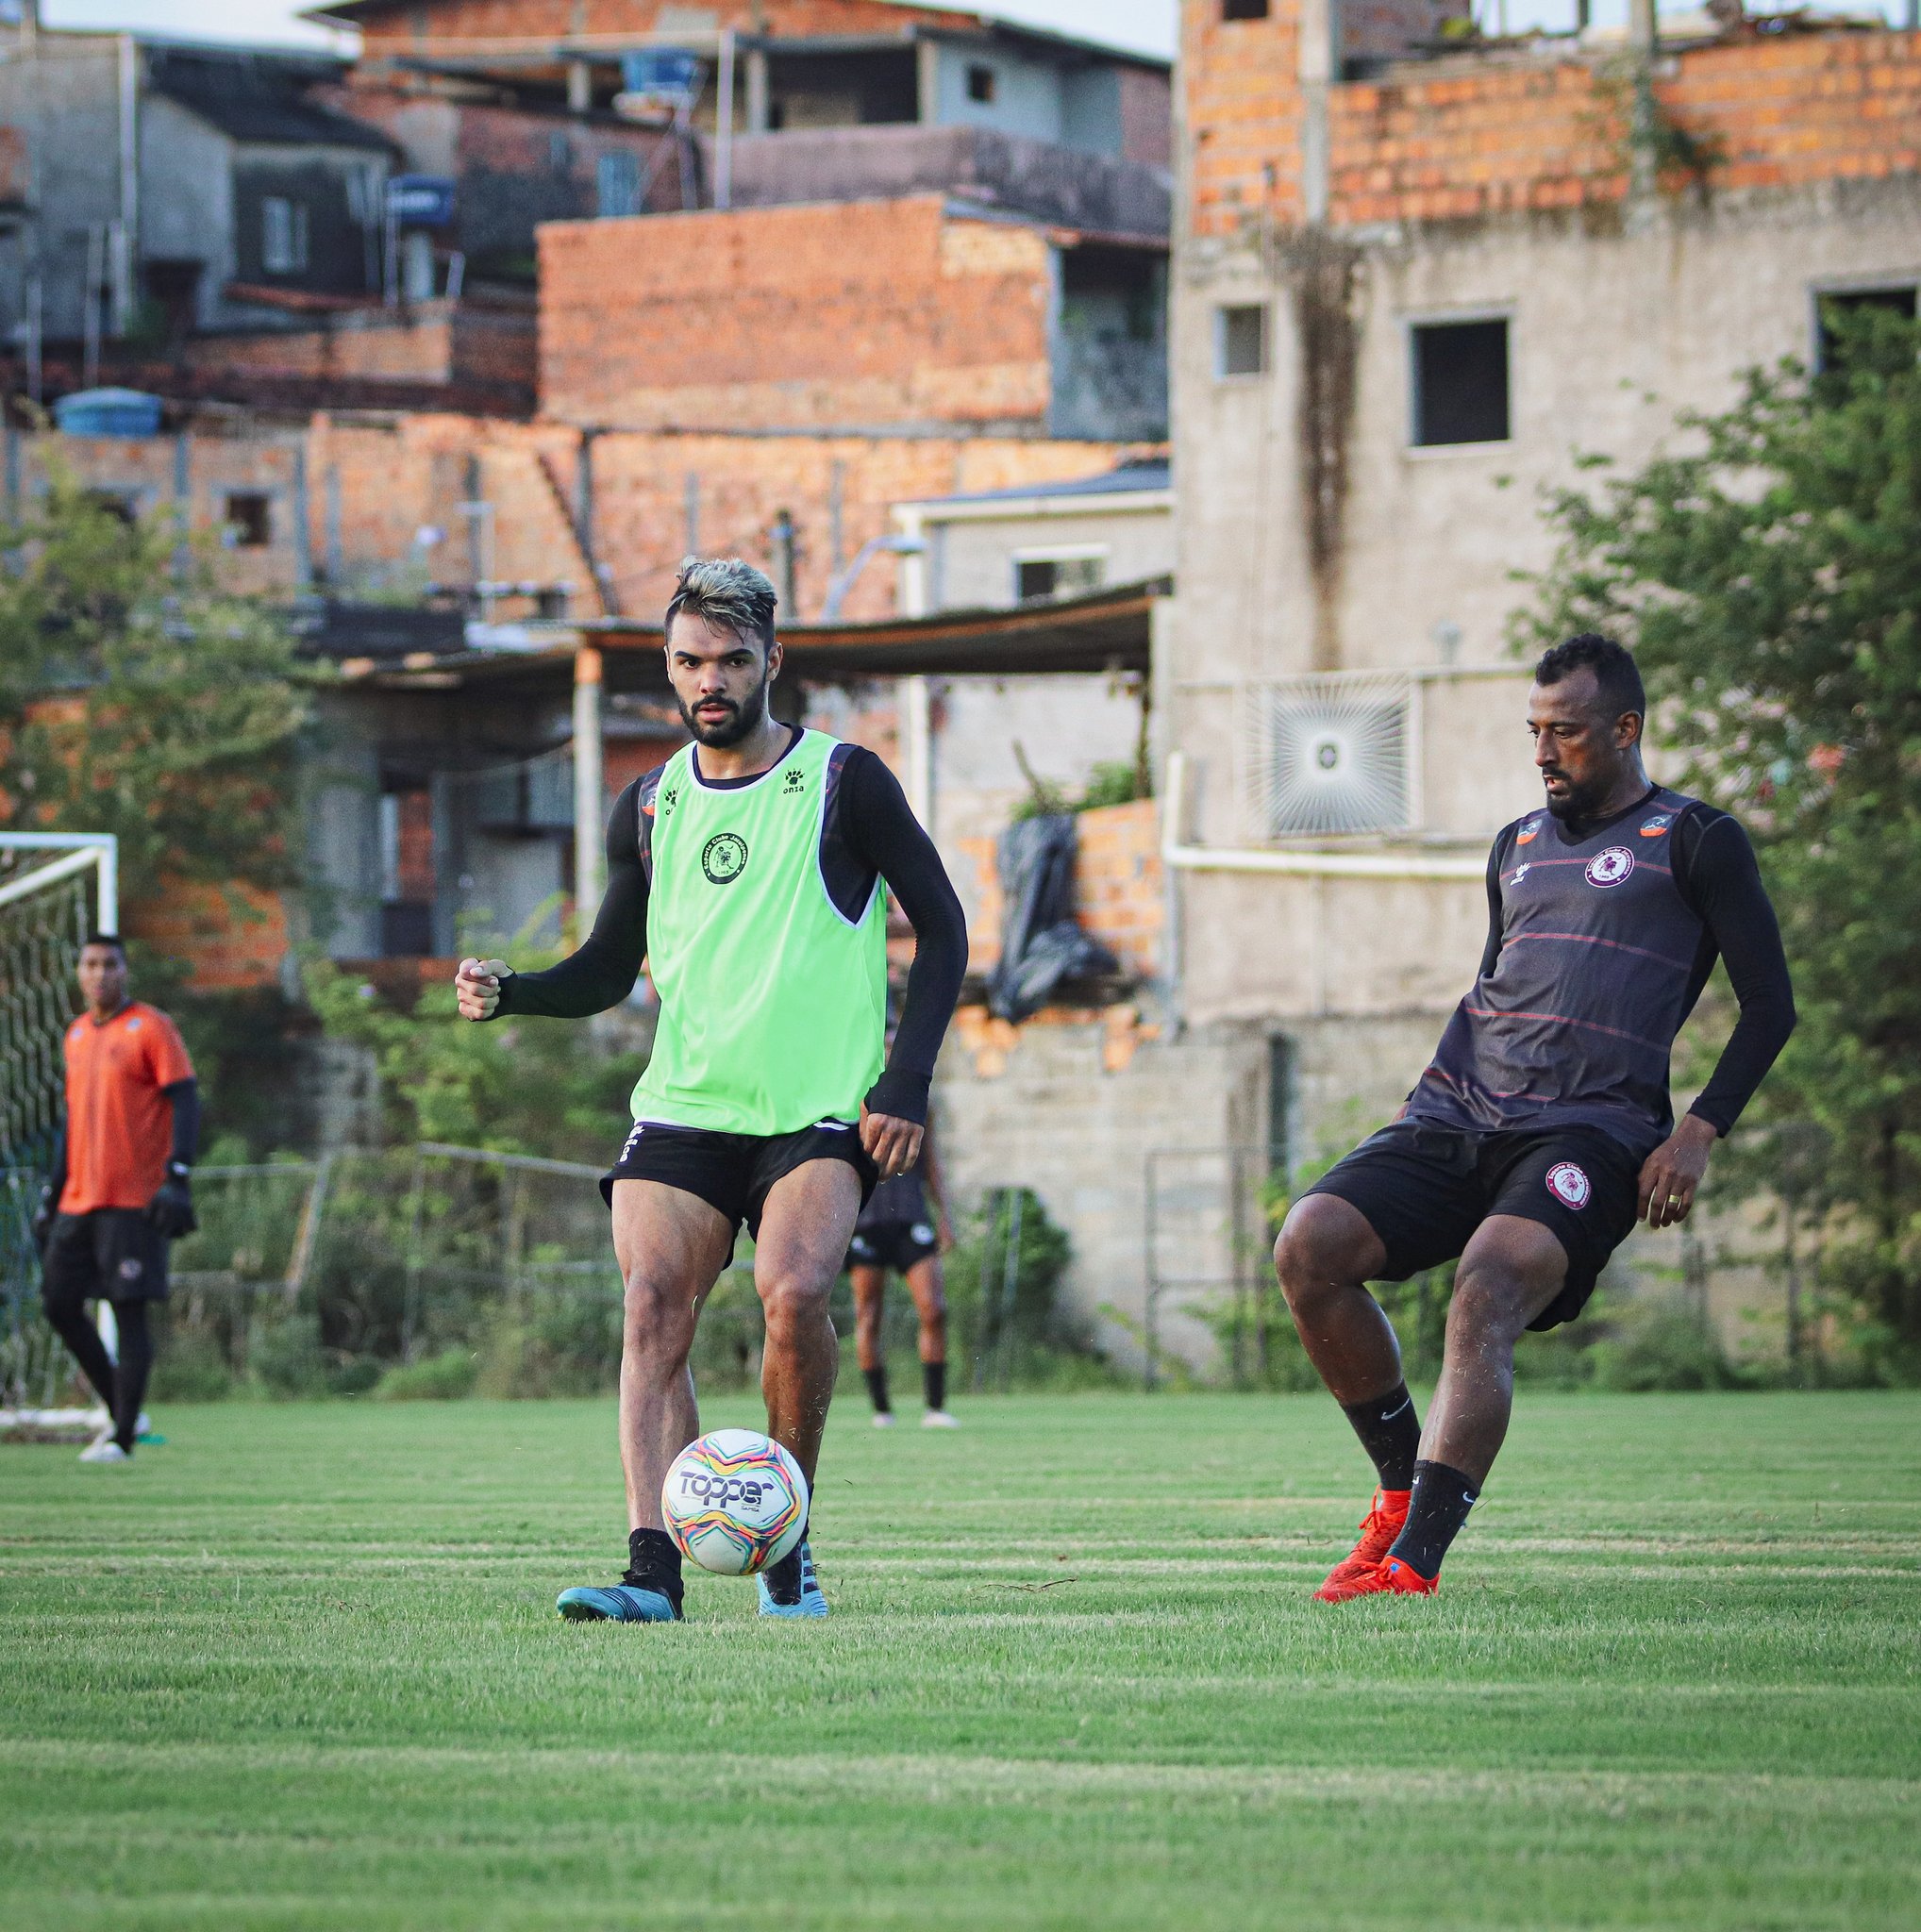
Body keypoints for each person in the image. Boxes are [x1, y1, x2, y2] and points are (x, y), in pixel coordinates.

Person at [456, 558, 967, 1623]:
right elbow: (606, 968)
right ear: (668, 669)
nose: (711, 681)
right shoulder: (645, 804)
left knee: (793, 1293)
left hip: (819, 1110)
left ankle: (785, 1542)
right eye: (690, 661)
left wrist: (905, 1079)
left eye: (732, 659)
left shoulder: (843, 779)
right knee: (651, 1309)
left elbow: (945, 925)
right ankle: (651, 1573)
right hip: (686, 1105)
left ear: (772, 659)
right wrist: (514, 992)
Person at [1273, 634, 1796, 1599]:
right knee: (1308, 1242)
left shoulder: (1694, 838)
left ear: (1624, 729)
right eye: (1533, 731)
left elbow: (1770, 1003)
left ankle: (1410, 1566)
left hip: (1588, 1131)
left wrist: (1694, 1129)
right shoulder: (1513, 845)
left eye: (1565, 731)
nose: (1544, 751)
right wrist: (1419, 1102)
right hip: (1454, 1111)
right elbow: (1496, 985)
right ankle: (1395, 1493)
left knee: (1489, 1280)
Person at [32, 934, 199, 1464]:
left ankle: (123, 1438)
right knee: (58, 1303)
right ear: (78, 973)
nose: (99, 973)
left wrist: (177, 1175)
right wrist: (51, 1194)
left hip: (134, 1198)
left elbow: (186, 1100)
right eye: (90, 964)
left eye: (109, 964)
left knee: (128, 1311)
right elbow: (71, 1124)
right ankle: (124, 1406)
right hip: (79, 1200)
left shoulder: (150, 1027)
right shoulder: (77, 1034)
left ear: (125, 971)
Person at [849, 1103, 957, 1428]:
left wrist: (944, 1216)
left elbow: (931, 1163)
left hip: (911, 1217)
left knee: (934, 1309)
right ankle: (881, 1410)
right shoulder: (853, 1101)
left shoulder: (920, 1103)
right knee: (869, 1316)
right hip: (867, 1222)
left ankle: (935, 1408)